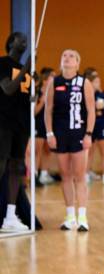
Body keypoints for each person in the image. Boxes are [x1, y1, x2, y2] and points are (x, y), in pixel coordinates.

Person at [44, 49, 95, 231]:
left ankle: (82, 217)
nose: (67, 58)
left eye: (71, 56)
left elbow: (91, 110)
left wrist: (88, 134)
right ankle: (69, 216)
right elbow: (48, 110)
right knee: (65, 175)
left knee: (79, 176)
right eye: (64, 55)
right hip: (60, 134)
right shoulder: (54, 82)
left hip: (79, 133)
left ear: (77, 63)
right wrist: (50, 133)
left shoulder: (85, 83)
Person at [0, 32, 31, 232]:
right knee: (1, 165)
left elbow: (25, 97)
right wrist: (25, 69)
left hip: (22, 126)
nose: (25, 41)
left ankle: (10, 217)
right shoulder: (2, 63)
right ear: (11, 42)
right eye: (20, 38)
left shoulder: (27, 71)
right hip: (3, 123)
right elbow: (8, 89)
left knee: (17, 168)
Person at [87, 72, 104, 186]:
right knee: (89, 151)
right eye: (96, 82)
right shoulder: (86, 95)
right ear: (90, 83)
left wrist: (100, 110)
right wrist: (96, 110)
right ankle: (86, 174)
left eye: (99, 82)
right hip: (90, 126)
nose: (98, 84)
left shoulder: (102, 95)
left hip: (101, 125)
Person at [33, 67, 55, 185]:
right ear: (46, 79)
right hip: (38, 124)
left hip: (48, 125)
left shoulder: (53, 93)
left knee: (48, 150)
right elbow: (35, 111)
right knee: (37, 150)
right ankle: (34, 174)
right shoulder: (38, 91)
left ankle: (44, 174)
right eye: (52, 77)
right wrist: (43, 99)